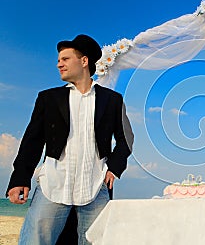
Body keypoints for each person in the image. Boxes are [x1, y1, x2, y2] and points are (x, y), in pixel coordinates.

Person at [6, 34, 134, 245]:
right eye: (58, 60)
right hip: (53, 186)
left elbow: (126, 138)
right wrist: (20, 178)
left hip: (95, 187)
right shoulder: (48, 98)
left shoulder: (112, 100)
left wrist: (114, 167)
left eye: (65, 59)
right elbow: (32, 141)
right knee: (35, 241)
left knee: (97, 242)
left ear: (84, 61)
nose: (59, 64)